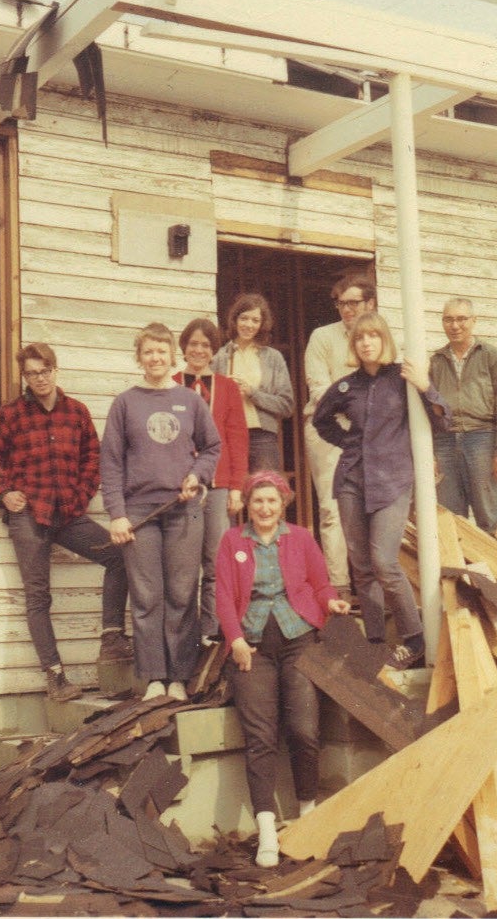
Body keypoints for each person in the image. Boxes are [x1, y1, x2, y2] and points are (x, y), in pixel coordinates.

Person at [0, 343, 130, 703]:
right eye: (32, 373)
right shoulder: (11, 414)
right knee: (38, 596)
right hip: (29, 517)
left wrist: (78, 498)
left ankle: (111, 636)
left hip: (67, 516)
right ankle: (56, 677)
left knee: (118, 555)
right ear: (25, 377)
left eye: (44, 371)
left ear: (55, 370)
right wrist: (3, 493)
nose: (39, 379)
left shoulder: (76, 412)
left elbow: (93, 460)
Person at [215, 470, 351, 868]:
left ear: (283, 504)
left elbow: (321, 585)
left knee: (305, 731)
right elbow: (223, 595)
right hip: (252, 650)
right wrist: (235, 639)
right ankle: (268, 832)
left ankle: (309, 814)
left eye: (272, 501)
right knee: (261, 738)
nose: (264, 508)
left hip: (298, 641)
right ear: (248, 504)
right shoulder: (231, 541)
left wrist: (331, 604)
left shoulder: (302, 538)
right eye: (257, 500)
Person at [313, 312, 451, 670]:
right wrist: (347, 442)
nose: (366, 343)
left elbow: (442, 419)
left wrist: (425, 386)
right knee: (360, 565)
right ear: (354, 346)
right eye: (360, 338)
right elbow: (320, 419)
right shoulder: (347, 386)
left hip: (392, 479)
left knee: (384, 561)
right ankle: (375, 642)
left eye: (373, 336)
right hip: (351, 481)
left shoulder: (401, 378)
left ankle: (415, 639)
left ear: (384, 340)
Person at [102, 323, 221, 702]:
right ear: (139, 358)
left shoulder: (191, 400)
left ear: (173, 357)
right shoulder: (125, 403)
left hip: (183, 510)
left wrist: (196, 475)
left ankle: (179, 678)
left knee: (183, 593)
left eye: (161, 351)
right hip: (139, 513)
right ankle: (154, 676)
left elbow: (212, 447)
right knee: (147, 595)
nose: (155, 358)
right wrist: (117, 513)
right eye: (148, 352)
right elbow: (111, 462)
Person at [173, 318, 249, 642]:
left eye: (206, 345)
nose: (199, 350)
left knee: (216, 560)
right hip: (184, 487)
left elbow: (237, 437)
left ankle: (213, 632)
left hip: (217, 485)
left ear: (213, 350)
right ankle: (186, 635)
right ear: (184, 348)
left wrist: (235, 487)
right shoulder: (172, 383)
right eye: (194, 344)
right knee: (185, 563)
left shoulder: (227, 387)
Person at [303, 269, 377, 594]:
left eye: (353, 303)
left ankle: (375, 586)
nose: (347, 309)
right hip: (328, 429)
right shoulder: (322, 336)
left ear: (369, 304)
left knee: (375, 505)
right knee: (332, 509)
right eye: (341, 304)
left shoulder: (379, 338)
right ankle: (339, 586)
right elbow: (319, 386)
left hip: (372, 431)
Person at [429, 297, 497, 534]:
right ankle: (460, 571)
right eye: (448, 319)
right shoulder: (435, 361)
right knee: (449, 519)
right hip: (445, 441)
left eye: (461, 319)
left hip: (482, 439)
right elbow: (427, 411)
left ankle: (493, 570)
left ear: (474, 321)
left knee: (489, 517)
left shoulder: (491, 356)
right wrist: (429, 453)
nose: (455, 325)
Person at [211, 293, 294, 472]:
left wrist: (252, 393)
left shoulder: (273, 358)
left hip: (262, 437)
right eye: (244, 318)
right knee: (231, 495)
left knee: (265, 490)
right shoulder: (219, 357)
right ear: (235, 319)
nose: (249, 325)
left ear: (262, 324)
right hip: (227, 434)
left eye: (255, 320)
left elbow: (287, 406)